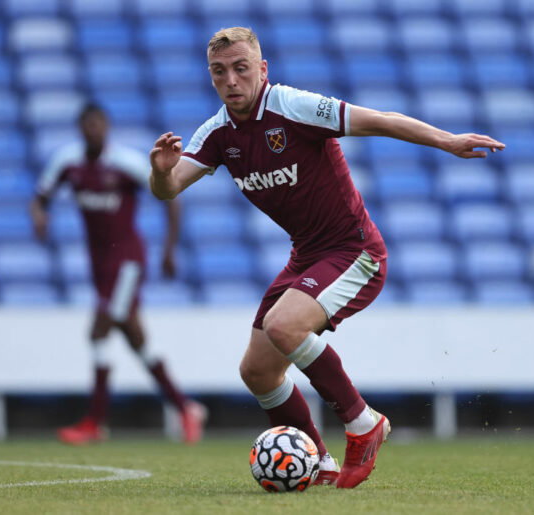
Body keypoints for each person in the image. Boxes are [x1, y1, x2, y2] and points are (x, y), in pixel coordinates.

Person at [148, 27, 505, 488]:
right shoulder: (217, 133)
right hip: (307, 257)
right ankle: (316, 462)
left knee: (283, 325)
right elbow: (169, 187)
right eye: (220, 72)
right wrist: (159, 172)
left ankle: (363, 423)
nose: (231, 80)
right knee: (256, 371)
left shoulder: (292, 106)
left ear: (262, 69)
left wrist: (446, 140)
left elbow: (380, 119)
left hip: (355, 251)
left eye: (241, 69)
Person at [31, 103, 206, 445]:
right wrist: (39, 215)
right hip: (99, 265)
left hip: (127, 262)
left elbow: (170, 197)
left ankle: (95, 422)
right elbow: (40, 197)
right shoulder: (68, 162)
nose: (93, 131)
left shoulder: (126, 163)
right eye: (87, 126)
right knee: (137, 340)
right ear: (80, 129)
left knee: (98, 332)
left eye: (98, 125)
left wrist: (168, 250)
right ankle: (186, 408)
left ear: (107, 128)